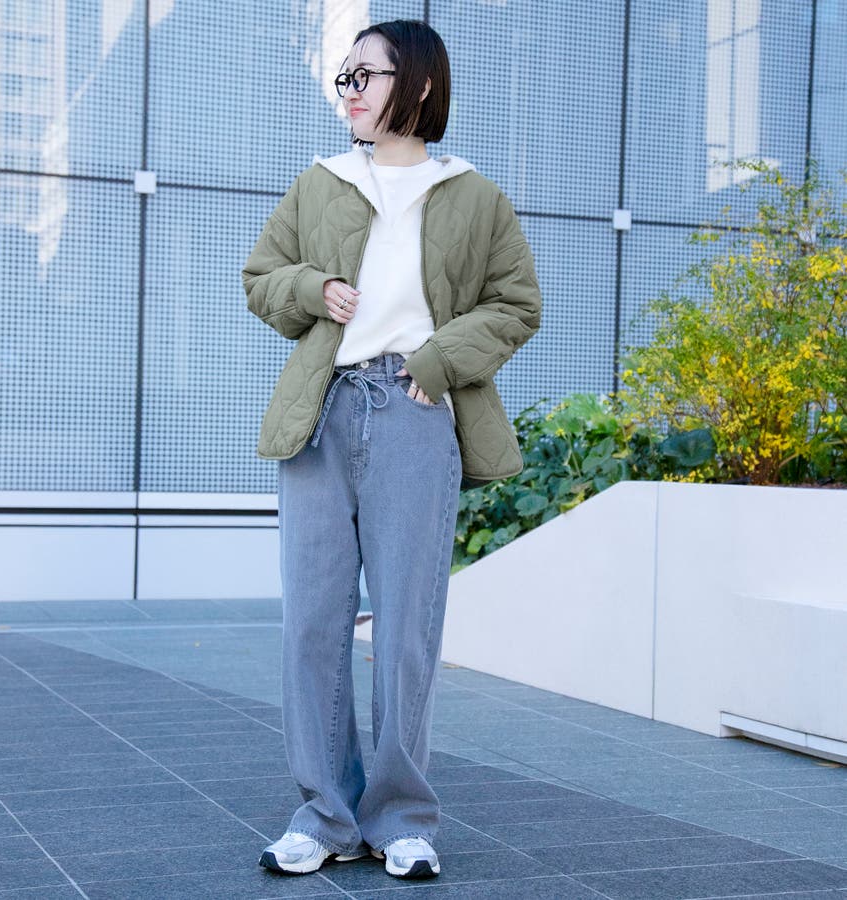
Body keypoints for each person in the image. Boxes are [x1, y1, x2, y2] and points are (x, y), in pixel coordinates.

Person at [241, 18, 541, 880]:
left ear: (417, 84)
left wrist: (439, 361)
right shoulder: (322, 183)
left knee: (407, 625)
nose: (350, 92)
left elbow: (517, 304)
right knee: (312, 624)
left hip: (414, 412)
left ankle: (402, 818)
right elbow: (261, 278)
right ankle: (324, 815)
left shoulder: (475, 197)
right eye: (345, 77)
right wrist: (313, 287)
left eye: (364, 75)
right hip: (323, 413)